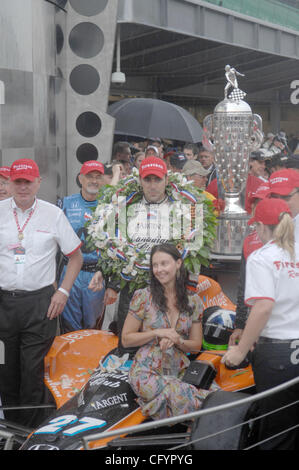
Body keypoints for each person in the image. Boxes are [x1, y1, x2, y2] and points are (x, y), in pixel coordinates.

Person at [0, 158, 83, 427]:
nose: (22, 187)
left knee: (32, 372)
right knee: (6, 371)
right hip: (4, 305)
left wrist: (63, 291)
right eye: (17, 182)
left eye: (28, 182)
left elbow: (76, 257)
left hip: (40, 304)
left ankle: (32, 432)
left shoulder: (53, 214)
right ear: (10, 183)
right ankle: (11, 432)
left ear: (38, 182)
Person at [222, 198, 299, 450]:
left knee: (276, 433)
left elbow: (263, 306)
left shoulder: (261, 257)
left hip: (277, 354)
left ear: (262, 228)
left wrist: (240, 350)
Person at [122, 243, 206, 420]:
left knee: (208, 393)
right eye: (155, 265)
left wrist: (177, 340)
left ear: (178, 263)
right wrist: (157, 333)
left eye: (164, 263)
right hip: (146, 370)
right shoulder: (143, 296)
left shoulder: (194, 301)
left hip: (180, 369)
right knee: (191, 397)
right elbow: (126, 339)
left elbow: (196, 346)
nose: (159, 269)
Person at [58, 160, 106, 333]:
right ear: (80, 178)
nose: (94, 181)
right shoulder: (64, 204)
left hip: (96, 274)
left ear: (103, 180)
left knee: (93, 328)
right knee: (70, 328)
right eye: (89, 176)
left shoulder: (109, 206)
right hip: (70, 272)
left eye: (98, 177)